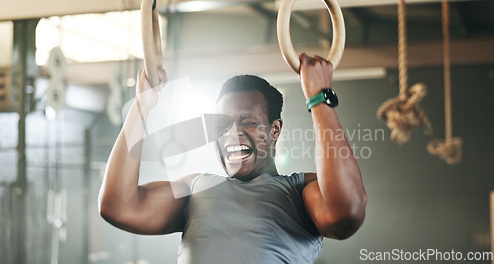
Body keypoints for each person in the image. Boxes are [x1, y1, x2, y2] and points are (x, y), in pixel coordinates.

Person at [98, 53, 367, 263]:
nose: (232, 134)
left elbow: (347, 213)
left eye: (247, 121)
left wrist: (320, 99)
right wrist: (142, 107)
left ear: (275, 130)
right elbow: (117, 206)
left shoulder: (300, 191)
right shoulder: (195, 188)